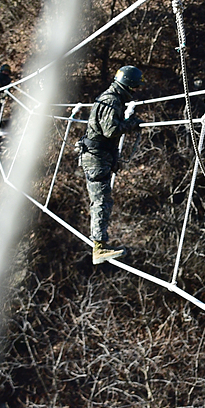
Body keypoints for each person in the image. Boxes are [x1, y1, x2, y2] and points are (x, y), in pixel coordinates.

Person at [78, 65, 143, 264]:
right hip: (96, 158)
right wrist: (130, 125)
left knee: (102, 200)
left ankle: (100, 244)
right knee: (101, 201)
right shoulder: (111, 99)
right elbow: (110, 130)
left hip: (98, 157)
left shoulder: (111, 98)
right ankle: (98, 248)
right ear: (129, 85)